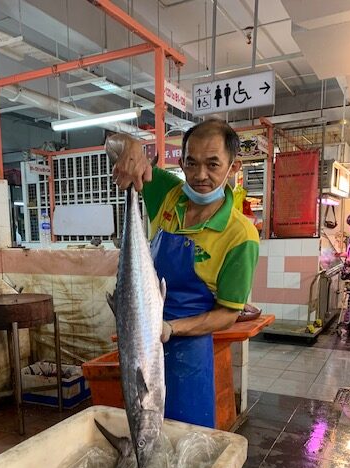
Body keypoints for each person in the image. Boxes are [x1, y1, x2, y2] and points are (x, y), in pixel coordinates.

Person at [107, 118, 259, 428]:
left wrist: (170, 328)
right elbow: (112, 145)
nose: (200, 175)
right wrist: (129, 146)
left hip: (188, 353)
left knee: (188, 444)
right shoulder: (167, 193)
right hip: (140, 337)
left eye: (213, 165)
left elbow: (227, 314)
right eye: (191, 163)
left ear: (234, 165)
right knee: (142, 424)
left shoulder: (240, 235)